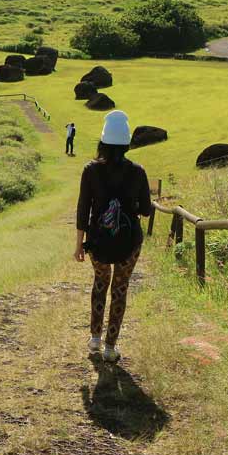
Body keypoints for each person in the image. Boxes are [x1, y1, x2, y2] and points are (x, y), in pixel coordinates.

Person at [74, 110, 153, 362]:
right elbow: (146, 209)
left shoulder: (90, 171)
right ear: (127, 142)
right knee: (120, 288)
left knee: (100, 283)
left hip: (97, 241)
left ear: (103, 142)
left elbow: (83, 209)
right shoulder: (138, 172)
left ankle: (95, 338)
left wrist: (79, 245)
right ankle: (110, 346)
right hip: (129, 243)